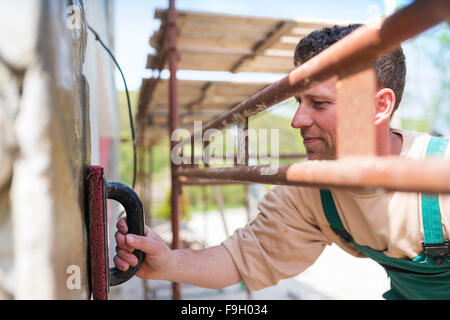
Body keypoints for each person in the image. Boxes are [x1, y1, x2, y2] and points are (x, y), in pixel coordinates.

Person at [113, 24, 450, 300]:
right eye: (299, 102)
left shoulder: (440, 177)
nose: (297, 120)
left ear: (379, 107)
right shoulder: (313, 189)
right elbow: (241, 258)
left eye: (318, 103)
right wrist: (168, 262)